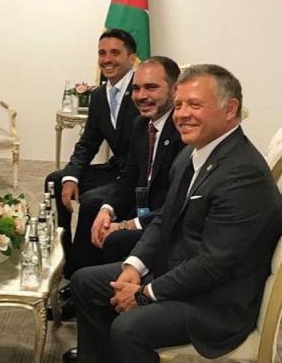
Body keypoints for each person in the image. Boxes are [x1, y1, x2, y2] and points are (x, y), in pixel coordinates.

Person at [65, 64, 282, 363]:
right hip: (179, 272)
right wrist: (133, 267)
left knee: (129, 328)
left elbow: (213, 265)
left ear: (230, 109)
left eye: (195, 105)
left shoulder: (243, 174)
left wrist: (144, 293)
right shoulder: (193, 152)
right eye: (179, 105)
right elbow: (165, 219)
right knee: (85, 282)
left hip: (215, 303)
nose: (182, 114)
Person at [53, 56, 184, 324]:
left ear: (174, 90)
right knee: (96, 211)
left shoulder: (183, 132)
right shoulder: (142, 124)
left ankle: (106, 309)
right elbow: (128, 179)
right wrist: (107, 210)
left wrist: (126, 224)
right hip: (145, 206)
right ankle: (81, 288)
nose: (141, 96)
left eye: (151, 87)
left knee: (114, 238)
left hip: (168, 222)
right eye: (136, 88)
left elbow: (176, 205)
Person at [46, 28, 139, 288]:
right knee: (55, 181)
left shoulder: (141, 91)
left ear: (132, 58)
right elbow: (88, 143)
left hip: (138, 176)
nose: (107, 59)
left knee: (91, 202)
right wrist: (71, 176)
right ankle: (63, 258)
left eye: (115, 53)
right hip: (115, 168)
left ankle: (79, 276)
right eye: (102, 53)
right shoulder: (99, 95)